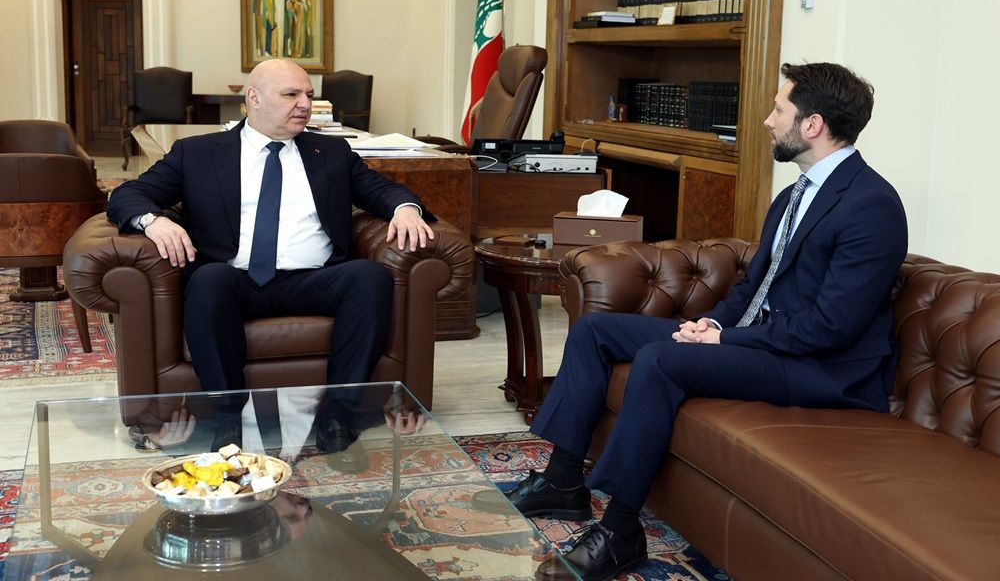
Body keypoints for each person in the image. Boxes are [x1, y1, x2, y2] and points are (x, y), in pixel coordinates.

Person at [485, 62, 909, 581]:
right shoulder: (794, 195)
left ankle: (620, 532)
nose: (768, 121)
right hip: (766, 342)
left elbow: (831, 328)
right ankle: (563, 481)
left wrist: (730, 340)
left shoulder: (871, 206)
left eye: (779, 110)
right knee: (597, 331)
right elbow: (754, 287)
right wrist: (709, 325)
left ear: (813, 124)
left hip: (823, 368)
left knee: (660, 360)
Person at [106, 59, 434, 418]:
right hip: (234, 280)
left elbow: (382, 190)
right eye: (291, 94)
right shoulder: (197, 153)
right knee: (209, 280)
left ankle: (339, 415)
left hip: (313, 280)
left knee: (368, 277)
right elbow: (128, 194)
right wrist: (153, 222)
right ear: (254, 98)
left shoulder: (331, 152)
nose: (305, 104)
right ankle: (227, 415)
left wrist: (405, 209)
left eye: (308, 95)